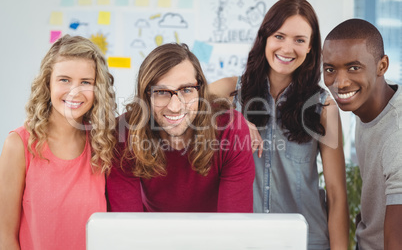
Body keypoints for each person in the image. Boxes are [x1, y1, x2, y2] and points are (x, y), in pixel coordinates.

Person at [209, 0, 349, 249]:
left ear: (310, 48)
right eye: (279, 36)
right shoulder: (231, 92)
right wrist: (237, 121)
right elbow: (189, 106)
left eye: (299, 40)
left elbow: (337, 195)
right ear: (265, 39)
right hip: (244, 240)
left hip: (307, 241)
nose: (287, 48)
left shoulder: (323, 107)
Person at [106, 43, 255, 212]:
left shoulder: (230, 129)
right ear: (146, 96)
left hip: (214, 234)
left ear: (200, 90)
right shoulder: (123, 133)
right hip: (152, 234)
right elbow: (127, 227)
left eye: (186, 90)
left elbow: (234, 225)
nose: (175, 107)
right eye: (161, 92)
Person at [0, 35, 116, 250]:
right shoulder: (18, 145)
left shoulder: (103, 145)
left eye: (86, 82)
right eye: (64, 79)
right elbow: (4, 237)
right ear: (48, 83)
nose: (75, 91)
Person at [323, 18, 402, 250]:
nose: (340, 82)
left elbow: (397, 241)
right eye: (330, 69)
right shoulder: (369, 104)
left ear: (382, 66)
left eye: (353, 67)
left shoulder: (396, 134)